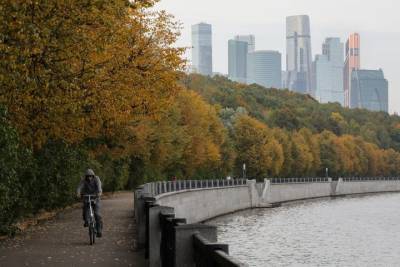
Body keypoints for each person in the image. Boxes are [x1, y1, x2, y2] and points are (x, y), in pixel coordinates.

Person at [77, 169, 103, 238]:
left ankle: (99, 230)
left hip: (96, 197)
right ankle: (86, 220)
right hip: (87, 197)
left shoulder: (96, 179)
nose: (89, 178)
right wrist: (78, 193)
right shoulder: (83, 180)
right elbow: (79, 187)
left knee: (97, 214)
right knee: (85, 209)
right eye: (88, 176)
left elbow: (99, 186)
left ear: (93, 175)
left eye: (90, 176)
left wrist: (99, 192)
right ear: (86, 176)